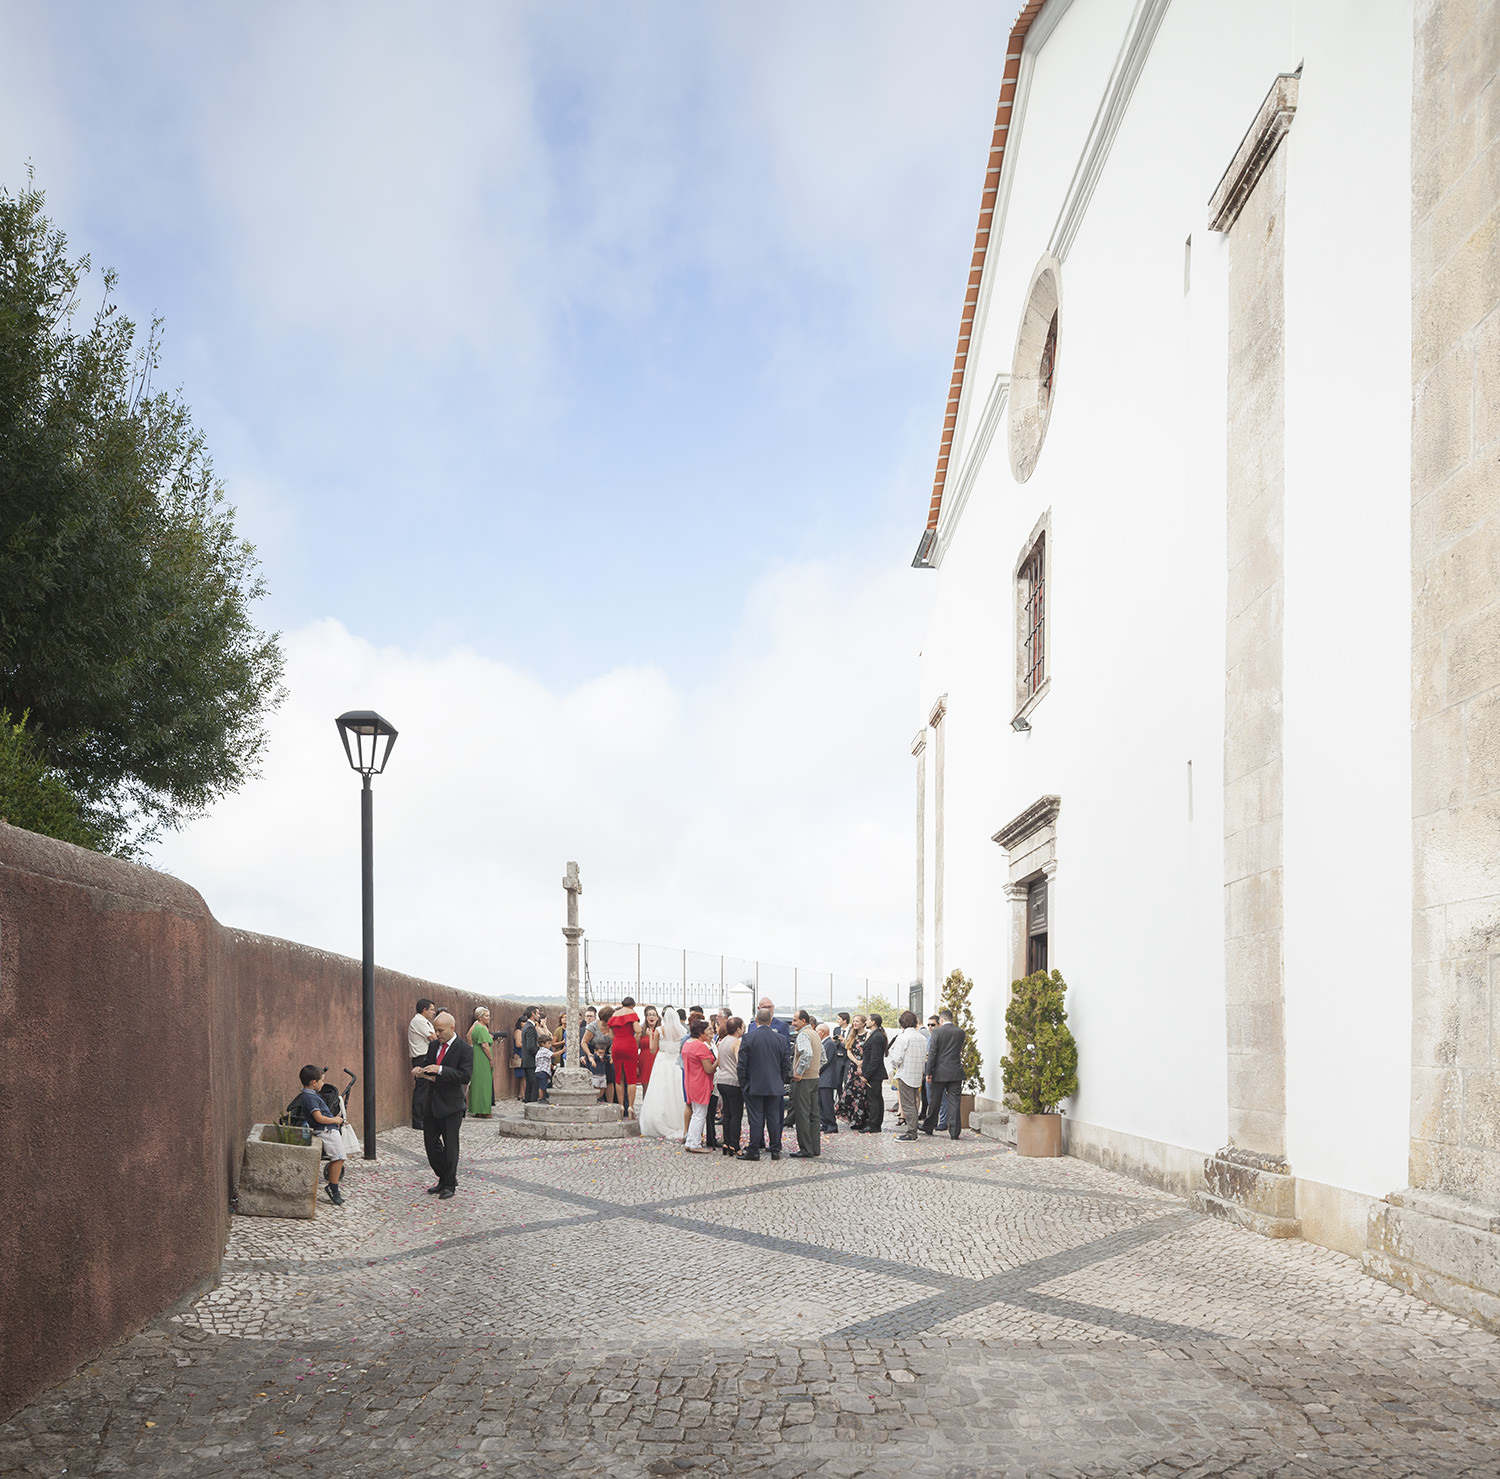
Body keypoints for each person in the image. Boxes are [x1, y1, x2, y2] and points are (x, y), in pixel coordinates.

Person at [412, 1012, 472, 1198]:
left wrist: (442, 1070)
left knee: (451, 1146)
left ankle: (448, 1185)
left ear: (452, 1028)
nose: (437, 1034)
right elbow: (428, 1067)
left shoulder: (464, 1049)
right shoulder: (432, 1046)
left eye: (440, 1030)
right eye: (436, 1030)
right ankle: (444, 1177)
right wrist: (420, 1071)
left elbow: (465, 1076)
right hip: (431, 1103)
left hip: (452, 1105)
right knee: (431, 1144)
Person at [737, 1005, 792, 1161]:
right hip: (774, 1085)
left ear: (756, 1021)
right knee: (774, 1118)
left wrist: (743, 1083)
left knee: (755, 1118)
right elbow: (786, 1065)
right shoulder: (781, 1039)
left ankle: (754, 1150)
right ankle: (775, 1149)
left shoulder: (748, 1038)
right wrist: (780, 1080)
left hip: (754, 1085)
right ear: (770, 1020)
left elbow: (742, 1064)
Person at [291, 1065, 348, 1206]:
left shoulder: (309, 1095)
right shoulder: (310, 1098)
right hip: (326, 1131)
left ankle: (333, 1187)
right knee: (339, 1158)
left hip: (327, 1129)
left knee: (339, 1158)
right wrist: (335, 1120)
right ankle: (333, 1188)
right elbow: (319, 1118)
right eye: (322, 1080)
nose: (323, 1083)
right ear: (314, 1083)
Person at [638, 1007, 687, 1138]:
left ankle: (659, 1120)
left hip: (662, 1061)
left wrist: (650, 1036)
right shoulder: (682, 1031)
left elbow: (652, 1049)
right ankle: (680, 1122)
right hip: (676, 1063)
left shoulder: (659, 1031)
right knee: (676, 1092)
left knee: (659, 1090)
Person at [924, 1008, 966, 1141]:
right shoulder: (960, 1032)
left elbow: (933, 1053)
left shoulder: (937, 1031)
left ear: (941, 1019)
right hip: (955, 1071)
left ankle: (929, 1127)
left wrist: (928, 1072)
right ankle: (954, 1132)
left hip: (940, 1072)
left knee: (935, 1101)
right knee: (954, 1102)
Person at [887, 1010, 926, 1141]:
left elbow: (896, 1059)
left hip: (905, 1075)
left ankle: (911, 1133)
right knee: (914, 1103)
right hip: (917, 1074)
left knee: (907, 1105)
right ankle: (913, 1130)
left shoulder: (903, 1038)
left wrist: (892, 1060)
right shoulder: (922, 1038)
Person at [681, 1018, 718, 1152]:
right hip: (700, 1082)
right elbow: (709, 1069)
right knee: (700, 1114)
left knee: (696, 1112)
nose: (710, 1032)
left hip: (690, 1081)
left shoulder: (687, 1044)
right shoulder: (700, 1046)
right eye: (707, 1030)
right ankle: (695, 1144)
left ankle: (691, 1140)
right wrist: (718, 1062)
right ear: (700, 1032)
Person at [789, 1010, 822, 1158]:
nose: (793, 1023)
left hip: (804, 1080)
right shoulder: (815, 1033)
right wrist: (815, 1069)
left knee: (802, 1115)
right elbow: (823, 1057)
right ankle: (815, 1147)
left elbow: (807, 1053)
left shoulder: (803, 1035)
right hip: (814, 1078)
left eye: (795, 1020)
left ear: (803, 1020)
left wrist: (799, 1072)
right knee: (814, 1114)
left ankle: (805, 1149)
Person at [714, 1015, 745, 1156]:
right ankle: (735, 1145)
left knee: (726, 1113)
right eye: (743, 1027)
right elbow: (740, 1063)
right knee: (736, 1114)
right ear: (738, 1029)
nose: (744, 1029)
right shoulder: (736, 1042)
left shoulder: (722, 1041)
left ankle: (726, 1142)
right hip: (733, 1081)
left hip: (722, 1080)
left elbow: (719, 1062)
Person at [609, 997, 642, 1119]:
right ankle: (631, 1107)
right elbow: (637, 1030)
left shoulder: (615, 1014)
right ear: (633, 1005)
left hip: (617, 1045)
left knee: (619, 1077)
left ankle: (621, 1106)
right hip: (629, 1044)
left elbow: (611, 1034)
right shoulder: (632, 1013)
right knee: (631, 1077)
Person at [836, 1015, 870, 1130]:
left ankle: (861, 1119)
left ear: (863, 1023)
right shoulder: (852, 1035)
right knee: (851, 1092)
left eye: (857, 1021)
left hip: (863, 1066)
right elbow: (848, 1050)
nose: (855, 1023)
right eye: (854, 1021)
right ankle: (852, 1118)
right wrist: (856, 1062)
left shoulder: (867, 1035)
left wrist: (862, 1063)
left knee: (862, 1094)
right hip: (853, 1067)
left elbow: (868, 1051)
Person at [408, 998, 438, 1129]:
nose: (433, 1012)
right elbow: (433, 1038)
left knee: (427, 1089)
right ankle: (418, 1120)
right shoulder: (418, 1021)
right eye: (431, 1009)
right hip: (421, 1058)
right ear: (424, 1010)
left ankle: (424, 1118)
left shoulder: (425, 1021)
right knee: (422, 1089)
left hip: (426, 1057)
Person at [860, 1014, 889, 1133]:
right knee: (876, 1098)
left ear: (873, 1022)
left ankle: (873, 1124)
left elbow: (875, 1059)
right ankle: (875, 1123)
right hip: (873, 1073)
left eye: (867, 1020)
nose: (866, 1022)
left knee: (874, 1100)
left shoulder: (877, 1036)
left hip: (874, 1075)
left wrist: (867, 1075)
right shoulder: (875, 1035)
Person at [467, 1006, 495, 1117]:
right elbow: (484, 1045)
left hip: (476, 1055)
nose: (489, 1018)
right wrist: (491, 1059)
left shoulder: (475, 1027)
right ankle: (484, 1110)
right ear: (480, 1017)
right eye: (486, 1015)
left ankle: (477, 1108)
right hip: (482, 1057)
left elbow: (468, 1036)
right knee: (484, 1084)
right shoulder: (482, 1028)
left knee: (477, 1083)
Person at [816, 1024, 841, 1136]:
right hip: (822, 1079)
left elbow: (825, 1061)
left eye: (817, 1031)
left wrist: (816, 1071)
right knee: (820, 1102)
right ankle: (824, 1123)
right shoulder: (824, 1043)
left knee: (827, 1103)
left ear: (822, 1032)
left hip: (826, 1078)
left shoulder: (829, 1044)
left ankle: (831, 1124)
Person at [520, 1007, 540, 1103]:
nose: (539, 1016)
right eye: (538, 1013)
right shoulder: (530, 1027)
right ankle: (532, 1104)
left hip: (527, 1061)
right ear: (533, 1014)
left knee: (529, 1084)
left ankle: (528, 1104)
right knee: (534, 1084)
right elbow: (531, 1046)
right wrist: (540, 1054)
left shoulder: (526, 1027)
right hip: (531, 1061)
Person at [639, 1005, 661, 1090]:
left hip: (657, 1058)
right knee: (646, 1085)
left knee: (657, 1085)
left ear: (657, 1018)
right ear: (646, 1017)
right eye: (649, 1015)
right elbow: (636, 1047)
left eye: (654, 1015)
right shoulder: (641, 1031)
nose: (651, 1017)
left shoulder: (660, 1031)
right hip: (644, 1059)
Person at [534, 1032, 554, 1101]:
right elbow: (553, 1055)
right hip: (542, 1071)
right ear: (543, 1044)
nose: (550, 1045)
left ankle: (543, 1097)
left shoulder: (540, 1051)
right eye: (548, 1043)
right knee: (542, 1086)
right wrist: (562, 1050)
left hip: (540, 1071)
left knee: (543, 1085)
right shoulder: (544, 1051)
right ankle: (541, 1098)